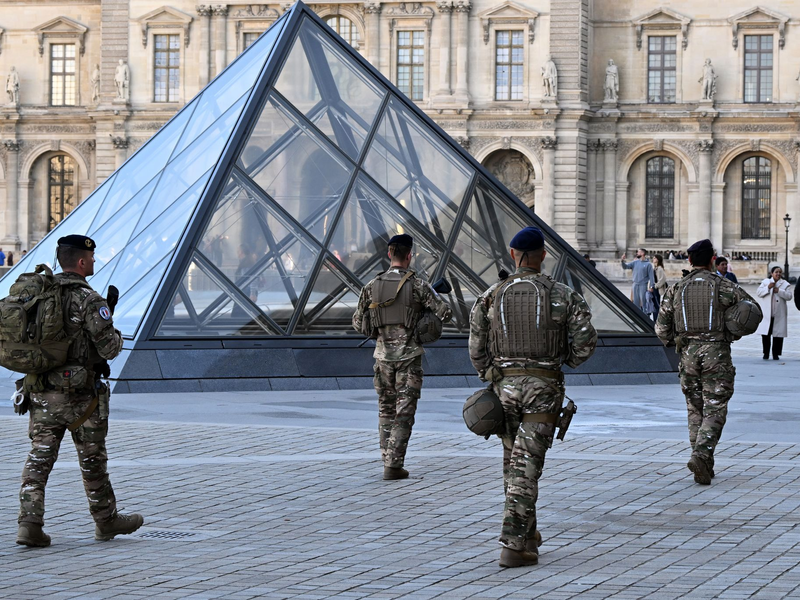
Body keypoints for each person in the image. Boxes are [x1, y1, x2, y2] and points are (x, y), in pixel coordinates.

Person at [468, 227, 597, 568]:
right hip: (543, 390)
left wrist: (492, 377)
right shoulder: (564, 295)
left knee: (515, 464)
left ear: (512, 255)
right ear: (542, 256)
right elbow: (585, 344)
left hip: (504, 390)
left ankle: (528, 534)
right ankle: (513, 545)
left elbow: (476, 350)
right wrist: (560, 361)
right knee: (526, 467)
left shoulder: (490, 296)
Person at [16, 235, 144, 547]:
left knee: (39, 458)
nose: (95, 262)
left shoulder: (40, 294)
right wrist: (115, 331)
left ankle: (29, 524)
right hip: (81, 397)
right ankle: (106, 521)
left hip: (41, 390)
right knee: (92, 459)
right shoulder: (90, 299)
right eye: (93, 258)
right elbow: (109, 348)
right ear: (83, 262)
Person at [655, 239, 760, 486]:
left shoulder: (676, 289)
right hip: (717, 354)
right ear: (712, 259)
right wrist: (732, 330)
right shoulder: (725, 286)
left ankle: (703, 462)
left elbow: (661, 329)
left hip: (688, 354)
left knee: (695, 408)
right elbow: (753, 311)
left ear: (689, 261)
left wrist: (678, 341)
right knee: (715, 407)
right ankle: (701, 455)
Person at [352, 234, 452, 481]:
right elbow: (446, 313)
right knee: (403, 412)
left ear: (389, 254)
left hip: (382, 358)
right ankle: (394, 464)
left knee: (385, 410)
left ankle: (387, 458)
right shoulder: (418, 285)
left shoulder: (371, 286)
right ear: (409, 256)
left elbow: (357, 322)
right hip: (409, 358)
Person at [756, 266, 792, 360]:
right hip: (767, 314)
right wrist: (768, 288)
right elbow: (759, 293)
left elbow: (789, 296)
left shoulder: (785, 284)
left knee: (778, 335)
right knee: (766, 335)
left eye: (780, 272)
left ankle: (776, 354)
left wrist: (779, 291)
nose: (778, 274)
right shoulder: (765, 282)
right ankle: (766, 353)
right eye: (776, 272)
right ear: (772, 273)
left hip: (779, 314)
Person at [650, 254, 667, 320]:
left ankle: (657, 320)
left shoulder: (660, 269)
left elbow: (662, 279)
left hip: (658, 290)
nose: (653, 259)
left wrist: (655, 286)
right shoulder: (655, 268)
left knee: (657, 305)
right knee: (655, 305)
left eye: (654, 258)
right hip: (655, 289)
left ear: (658, 259)